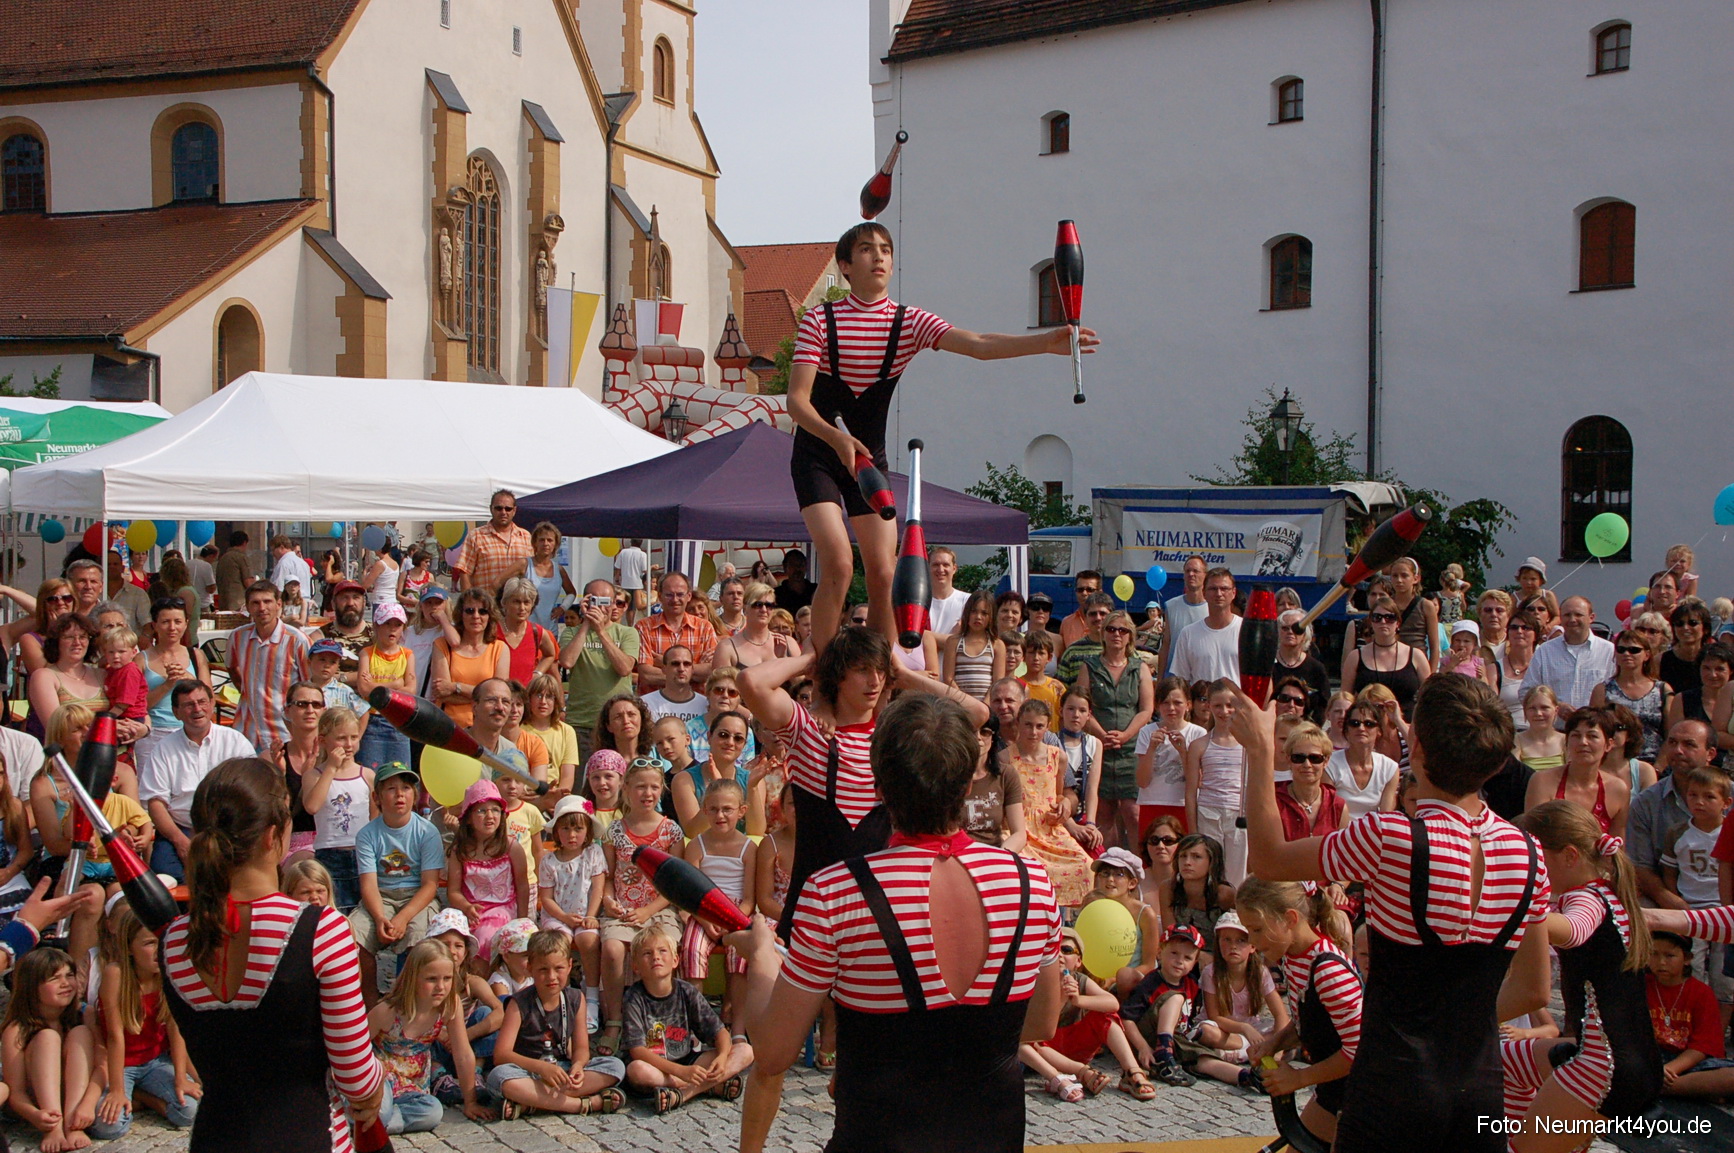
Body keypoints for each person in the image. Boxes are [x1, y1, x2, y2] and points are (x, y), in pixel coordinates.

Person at [728, 692, 1064, 1153]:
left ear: (879, 788)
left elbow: (773, 1052)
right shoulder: (1032, 882)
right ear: (968, 782)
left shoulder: (834, 891)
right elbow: (1042, 1022)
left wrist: (764, 956)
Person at [1241, 674, 1552, 1153]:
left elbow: (1266, 859)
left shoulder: (1392, 837)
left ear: (1419, 749)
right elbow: (1534, 989)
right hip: (1479, 1083)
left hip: (1393, 1082)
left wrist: (1262, 751)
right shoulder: (1527, 851)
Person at [787, 226, 1095, 652]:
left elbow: (979, 344)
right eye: (865, 250)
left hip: (867, 458)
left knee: (884, 573)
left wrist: (1046, 342)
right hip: (818, 452)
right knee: (838, 562)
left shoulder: (908, 321)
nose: (878, 257)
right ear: (844, 266)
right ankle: (823, 669)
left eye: (885, 250)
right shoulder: (820, 320)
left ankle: (875, 667)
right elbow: (797, 402)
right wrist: (835, 440)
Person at [161, 757, 385, 1150]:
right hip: (307, 1136)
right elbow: (354, 1075)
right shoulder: (322, 929)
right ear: (272, 836)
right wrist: (377, 1085)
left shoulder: (173, 939)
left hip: (216, 1138)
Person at [1507, 802, 1659, 1145]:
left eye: (1535, 857)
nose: (1529, 868)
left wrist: (1520, 909)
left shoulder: (1586, 898)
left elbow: (1575, 929)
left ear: (1569, 856)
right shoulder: (1608, 892)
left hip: (1603, 1067)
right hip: (1627, 1059)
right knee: (1505, 1063)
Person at [1236, 878, 1362, 1145]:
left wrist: (1299, 1078)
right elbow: (1309, 1018)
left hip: (1364, 1095)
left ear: (1290, 918)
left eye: (1257, 930)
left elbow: (1358, 1051)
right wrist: (1274, 1043)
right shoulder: (1294, 956)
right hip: (1335, 1087)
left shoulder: (1329, 971)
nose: (1253, 943)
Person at [595, 758, 683, 1058]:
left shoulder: (671, 831)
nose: (647, 793)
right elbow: (607, 877)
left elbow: (675, 885)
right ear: (626, 789)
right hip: (623, 907)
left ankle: (662, 1022)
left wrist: (648, 911)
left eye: (654, 787)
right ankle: (616, 1020)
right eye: (640, 786)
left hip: (659, 908)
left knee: (661, 950)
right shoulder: (614, 831)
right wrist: (608, 900)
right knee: (613, 948)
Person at [87, 907, 200, 1142]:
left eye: (161, 942)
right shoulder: (115, 974)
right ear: (129, 947)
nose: (158, 950)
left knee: (190, 1112)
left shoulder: (168, 971)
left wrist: (180, 1077)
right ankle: (132, 1094)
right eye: (149, 943)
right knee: (109, 1127)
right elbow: (115, 1036)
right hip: (121, 1064)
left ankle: (146, 1098)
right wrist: (117, 1089)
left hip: (154, 1060)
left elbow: (175, 1028)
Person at [488, 930, 625, 1118]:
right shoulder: (518, 1003)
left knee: (615, 1066)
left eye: (558, 968)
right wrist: (541, 1068)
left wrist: (578, 1065)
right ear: (530, 968)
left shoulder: (576, 998)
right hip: (529, 1071)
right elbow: (501, 1055)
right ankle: (580, 1105)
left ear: (569, 966)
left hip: (562, 1070)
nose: (551, 977)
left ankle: (533, 1103)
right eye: (543, 970)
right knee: (500, 1077)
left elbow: (582, 1048)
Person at [137, 680, 256, 881]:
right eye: (188, 705)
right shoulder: (163, 749)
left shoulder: (235, 742)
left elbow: (250, 792)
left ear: (212, 704)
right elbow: (155, 803)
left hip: (227, 830)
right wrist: (180, 841)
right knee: (166, 880)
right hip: (180, 829)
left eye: (202, 702)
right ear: (176, 712)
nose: (197, 709)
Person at [368, 940, 491, 1132]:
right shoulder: (387, 1011)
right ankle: (375, 1119)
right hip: (379, 1080)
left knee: (433, 1112)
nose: (441, 987)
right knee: (380, 1110)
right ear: (413, 977)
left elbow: (463, 1053)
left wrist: (471, 1102)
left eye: (447, 979)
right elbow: (353, 1048)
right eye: (432, 979)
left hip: (412, 1086)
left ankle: (378, 1124)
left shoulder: (450, 1006)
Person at [350, 763, 443, 1001]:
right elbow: (369, 884)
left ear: (415, 795)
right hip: (380, 896)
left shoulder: (427, 832)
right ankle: (369, 1008)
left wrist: (402, 918)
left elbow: (430, 884)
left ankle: (407, 1003)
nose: (400, 794)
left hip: (416, 897)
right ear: (377, 797)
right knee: (353, 936)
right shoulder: (367, 835)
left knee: (419, 940)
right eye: (391, 788)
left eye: (406, 788)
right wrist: (381, 917)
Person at [678, 779, 757, 1031]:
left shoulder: (748, 848)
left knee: (739, 954)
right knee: (692, 948)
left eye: (727, 809)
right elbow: (691, 892)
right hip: (703, 909)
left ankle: (735, 1020)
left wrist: (731, 920)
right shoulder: (696, 846)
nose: (719, 815)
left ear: (741, 811)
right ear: (704, 811)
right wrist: (704, 918)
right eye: (712, 809)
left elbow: (749, 899)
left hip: (736, 913)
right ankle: (697, 1019)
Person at [1076, 609, 1154, 850]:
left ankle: (1139, 866)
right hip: (1100, 748)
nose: (1116, 634)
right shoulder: (1089, 667)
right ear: (1103, 634)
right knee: (1104, 813)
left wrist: (1126, 735)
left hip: (1131, 750)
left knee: (1134, 812)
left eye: (1122, 630)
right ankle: (1108, 864)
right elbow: (1081, 707)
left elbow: (1146, 709)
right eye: (1111, 629)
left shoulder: (1139, 668)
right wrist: (1102, 735)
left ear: (1130, 635)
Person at [537, 795, 606, 1025]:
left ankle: (593, 994)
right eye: (565, 829)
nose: (572, 835)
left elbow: (597, 888)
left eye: (578, 828)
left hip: (586, 913)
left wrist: (591, 916)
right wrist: (564, 917)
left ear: (587, 831)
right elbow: (546, 898)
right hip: (558, 916)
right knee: (560, 943)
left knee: (588, 940)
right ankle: (561, 996)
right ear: (556, 832)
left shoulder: (593, 854)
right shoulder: (549, 861)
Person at [1630, 720, 1715, 909]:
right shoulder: (1646, 803)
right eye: (1672, 742)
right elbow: (1640, 868)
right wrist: (1676, 906)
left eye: (1689, 744)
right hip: (1667, 898)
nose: (1678, 750)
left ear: (1710, 754)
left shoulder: (1730, 797)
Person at [447, 779, 529, 965]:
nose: (490, 816)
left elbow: (522, 886)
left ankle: (481, 983)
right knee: (447, 935)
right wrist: (466, 907)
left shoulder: (511, 848)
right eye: (482, 811)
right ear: (468, 817)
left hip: (501, 908)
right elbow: (453, 891)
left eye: (495, 810)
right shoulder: (460, 850)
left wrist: (522, 920)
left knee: (486, 936)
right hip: (470, 910)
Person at [1644, 930, 1734, 1099]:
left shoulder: (1702, 993)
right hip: (1650, 1057)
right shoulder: (1640, 986)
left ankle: (1658, 1087)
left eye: (1670, 956)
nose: (1661, 962)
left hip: (1689, 1062)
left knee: (1730, 1077)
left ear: (1687, 959)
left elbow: (1702, 1047)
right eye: (1654, 954)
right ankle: (1673, 1086)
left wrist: (1670, 1069)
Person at [301, 707, 373, 913]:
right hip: (329, 853)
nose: (349, 744)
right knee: (335, 910)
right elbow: (312, 806)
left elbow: (376, 815)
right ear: (323, 740)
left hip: (362, 852)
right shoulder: (314, 775)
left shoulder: (366, 775)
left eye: (354, 737)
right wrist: (331, 767)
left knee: (362, 909)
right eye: (341, 738)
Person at [558, 580, 638, 763]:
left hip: (617, 724)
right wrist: (586, 623)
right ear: (585, 602)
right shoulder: (572, 633)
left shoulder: (627, 633)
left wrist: (601, 632)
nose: (601, 607)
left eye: (606, 601)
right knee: (581, 785)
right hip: (582, 722)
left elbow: (625, 668)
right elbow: (567, 661)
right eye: (595, 601)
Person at [1522, 707, 1631, 839]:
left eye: (1592, 736)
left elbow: (1617, 847)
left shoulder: (1618, 789)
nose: (1583, 742)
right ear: (1567, 742)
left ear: (1608, 744)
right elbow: (1532, 837)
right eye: (1576, 735)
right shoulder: (1542, 781)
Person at [229, 579, 310, 752]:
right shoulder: (237, 637)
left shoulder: (297, 640)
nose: (262, 608)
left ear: (278, 604)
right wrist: (246, 690)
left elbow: (310, 685)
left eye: (267, 602)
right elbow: (232, 668)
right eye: (255, 603)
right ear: (248, 607)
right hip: (246, 732)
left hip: (284, 735)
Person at [1185, 680, 1248, 886]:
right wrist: (1193, 831)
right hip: (1208, 814)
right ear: (1209, 706)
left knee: (1237, 874)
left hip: (1238, 815)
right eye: (1218, 705)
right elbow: (1190, 792)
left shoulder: (1247, 744)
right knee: (1210, 873)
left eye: (1230, 705)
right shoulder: (1199, 745)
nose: (1224, 711)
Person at [1521, 596, 1616, 719]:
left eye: (1578, 615)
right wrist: (1555, 706)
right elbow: (1526, 692)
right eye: (1567, 615)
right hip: (1554, 731)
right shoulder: (1545, 651)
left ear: (1591, 618)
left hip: (1595, 731)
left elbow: (1619, 693)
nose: (1572, 619)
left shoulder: (1609, 651)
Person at [1135, 674, 1205, 841]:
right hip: (1152, 803)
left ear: (1188, 705)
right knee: (1151, 853)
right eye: (1165, 703)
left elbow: (1198, 781)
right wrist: (1151, 749)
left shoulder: (1198, 733)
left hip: (1184, 805)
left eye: (1177, 703)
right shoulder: (1147, 732)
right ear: (1158, 706)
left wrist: (1184, 752)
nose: (1171, 708)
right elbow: (1142, 781)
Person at [139, 597, 211, 757]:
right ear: (154, 625)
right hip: (153, 734)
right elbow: (136, 706)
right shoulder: (141, 659)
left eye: (178, 622)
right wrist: (167, 684)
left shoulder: (196, 655)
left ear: (186, 623)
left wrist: (188, 677)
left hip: (190, 731)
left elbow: (209, 698)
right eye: (165, 622)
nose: (172, 628)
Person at [1344, 594, 1432, 719]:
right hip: (1368, 725)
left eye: (1389, 618)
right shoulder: (1355, 656)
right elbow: (1346, 700)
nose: (1383, 622)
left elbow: (1429, 698)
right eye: (1377, 617)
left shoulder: (1416, 656)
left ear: (1398, 623)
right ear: (1371, 621)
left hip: (1407, 723)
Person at [431, 589, 509, 729]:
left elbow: (498, 697)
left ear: (490, 616)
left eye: (483, 611)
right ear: (461, 614)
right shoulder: (442, 645)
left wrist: (455, 687)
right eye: (470, 610)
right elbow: (441, 694)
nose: (476, 616)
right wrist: (484, 698)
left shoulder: (500, 649)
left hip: (485, 730)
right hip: (448, 729)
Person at [28, 613, 110, 743]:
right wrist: (108, 727)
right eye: (69, 637)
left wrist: (143, 728)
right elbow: (56, 727)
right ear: (56, 641)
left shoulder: (102, 674)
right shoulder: (44, 676)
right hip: (66, 757)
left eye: (83, 637)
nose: (77, 642)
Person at [1590, 628, 1669, 762]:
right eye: (1621, 649)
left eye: (1634, 650)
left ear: (1647, 655)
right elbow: (1594, 730)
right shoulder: (1602, 689)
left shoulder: (1662, 690)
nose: (1626, 654)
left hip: (1653, 763)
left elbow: (1671, 734)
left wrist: (1659, 767)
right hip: (1614, 764)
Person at [634, 571, 717, 694]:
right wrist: (694, 669)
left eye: (680, 594)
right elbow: (647, 675)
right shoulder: (644, 627)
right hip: (655, 707)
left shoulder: (705, 628)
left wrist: (664, 664)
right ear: (660, 596)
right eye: (669, 595)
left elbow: (711, 671)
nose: (675, 599)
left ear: (688, 596)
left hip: (696, 706)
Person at [1326, 699, 1399, 820]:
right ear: (1346, 731)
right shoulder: (1329, 764)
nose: (1361, 728)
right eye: (1354, 723)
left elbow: (1386, 816)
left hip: (1374, 833)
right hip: (1338, 833)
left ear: (1379, 731)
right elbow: (1328, 814)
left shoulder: (1390, 768)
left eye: (1369, 724)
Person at [1167, 567, 1241, 685]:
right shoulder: (1188, 634)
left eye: (1224, 588)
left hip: (1237, 703)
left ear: (1233, 593)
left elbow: (1262, 678)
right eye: (1213, 589)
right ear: (1204, 593)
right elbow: (1182, 683)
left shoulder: (1246, 630)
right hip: (1202, 702)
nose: (1219, 593)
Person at [454, 489, 533, 595]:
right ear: (491, 509)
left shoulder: (526, 537)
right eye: (499, 508)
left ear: (514, 511)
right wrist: (469, 603)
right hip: (487, 606)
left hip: (517, 607)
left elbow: (534, 572)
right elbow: (465, 572)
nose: (503, 512)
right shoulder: (476, 536)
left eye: (508, 509)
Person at [1280, 723, 1350, 837]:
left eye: (1315, 758)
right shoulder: (1275, 802)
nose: (1307, 764)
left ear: (1326, 761)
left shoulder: (1338, 807)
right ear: (1289, 760)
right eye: (1299, 758)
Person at [942, 589, 1006, 702]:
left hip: (986, 706)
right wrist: (964, 702)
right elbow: (948, 678)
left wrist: (985, 705)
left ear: (991, 617)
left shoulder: (997, 645)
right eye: (974, 611)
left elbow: (997, 681)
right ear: (967, 613)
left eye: (984, 613)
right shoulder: (953, 642)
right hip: (959, 705)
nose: (978, 617)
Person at [717, 581, 797, 672]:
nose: (764, 610)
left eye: (769, 605)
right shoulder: (727, 648)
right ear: (745, 608)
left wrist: (783, 660)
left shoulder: (788, 643)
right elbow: (722, 684)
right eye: (758, 605)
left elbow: (800, 684)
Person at [1274, 609, 1330, 719]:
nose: (1290, 631)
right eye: (1285, 628)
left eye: (1297, 629)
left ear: (1305, 634)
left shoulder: (1316, 668)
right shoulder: (1267, 665)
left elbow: (1323, 706)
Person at [1662, 600, 1714, 696]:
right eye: (1679, 623)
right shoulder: (1661, 660)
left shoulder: (1714, 659)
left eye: (1692, 623)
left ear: (1705, 629)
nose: (1685, 627)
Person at [921, 547, 971, 639]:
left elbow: (965, 641)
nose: (940, 569)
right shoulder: (918, 602)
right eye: (935, 565)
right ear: (928, 568)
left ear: (954, 568)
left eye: (946, 565)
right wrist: (951, 638)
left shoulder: (967, 601)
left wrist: (925, 635)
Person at [1500, 613, 1539, 729]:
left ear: (1535, 635)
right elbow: (1492, 707)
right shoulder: (1494, 668)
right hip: (1508, 732)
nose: (1519, 631)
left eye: (1526, 628)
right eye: (1514, 627)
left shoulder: (1545, 666)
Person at [1057, 570, 1105, 654]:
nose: (1084, 593)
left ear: (1100, 592)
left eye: (1090, 589)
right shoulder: (1067, 623)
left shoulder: (1108, 622)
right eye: (1080, 589)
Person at [613, 539, 650, 620]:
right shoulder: (642, 554)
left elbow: (618, 567)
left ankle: (629, 624)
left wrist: (617, 579)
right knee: (635, 607)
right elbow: (645, 569)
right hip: (637, 584)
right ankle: (632, 625)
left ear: (631, 542)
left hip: (625, 583)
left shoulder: (623, 552)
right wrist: (653, 567)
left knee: (626, 606)